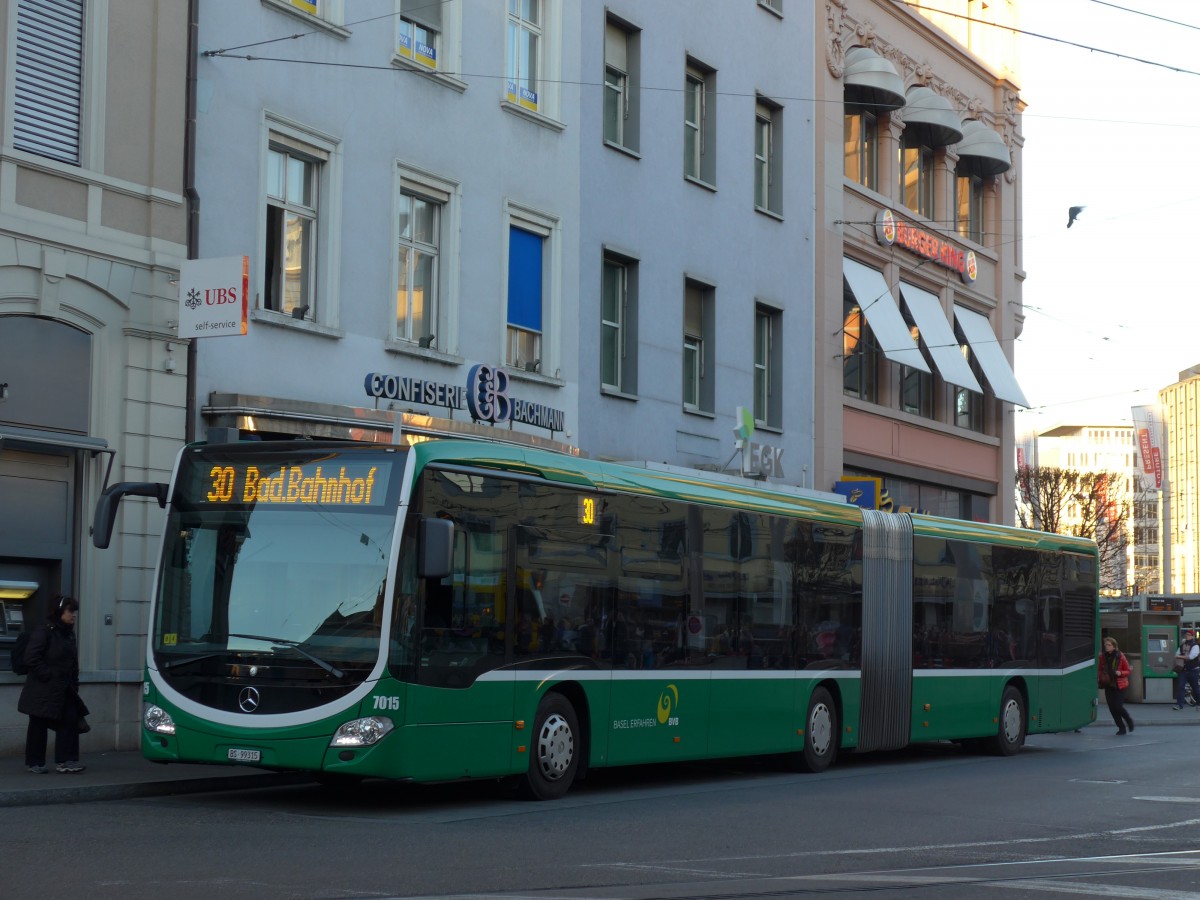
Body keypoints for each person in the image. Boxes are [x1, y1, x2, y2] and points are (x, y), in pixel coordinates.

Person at [18, 595, 88, 774]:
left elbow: (73, 662)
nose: (74, 615)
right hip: (43, 688)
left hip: (65, 688)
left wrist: (74, 682)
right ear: (59, 612)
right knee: (38, 724)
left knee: (70, 721)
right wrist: (47, 675)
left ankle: (67, 761)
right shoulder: (44, 631)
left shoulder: (68, 634)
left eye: (74, 612)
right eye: (70, 611)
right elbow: (31, 658)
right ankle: (35, 763)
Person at [1098, 635, 1134, 736]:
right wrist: (1100, 677)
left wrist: (1120, 673)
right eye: (1106, 645)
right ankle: (1121, 728)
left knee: (1118, 707)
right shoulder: (1102, 657)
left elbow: (1127, 671)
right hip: (1108, 685)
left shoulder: (1120, 656)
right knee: (1112, 709)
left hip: (1120, 685)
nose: (1107, 647)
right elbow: (1100, 669)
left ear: (1114, 646)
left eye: (1109, 645)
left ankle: (1129, 720)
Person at [1173, 628, 1200, 710]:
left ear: (1192, 636)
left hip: (1193, 670)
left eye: (1188, 634)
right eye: (1186, 634)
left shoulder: (1195, 646)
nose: (1186, 636)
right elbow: (1176, 654)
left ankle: (1199, 704)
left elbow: (1191, 657)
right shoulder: (1182, 645)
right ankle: (1179, 705)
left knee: (1195, 688)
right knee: (1181, 686)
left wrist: (1180, 656)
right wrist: (1181, 656)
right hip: (1183, 670)